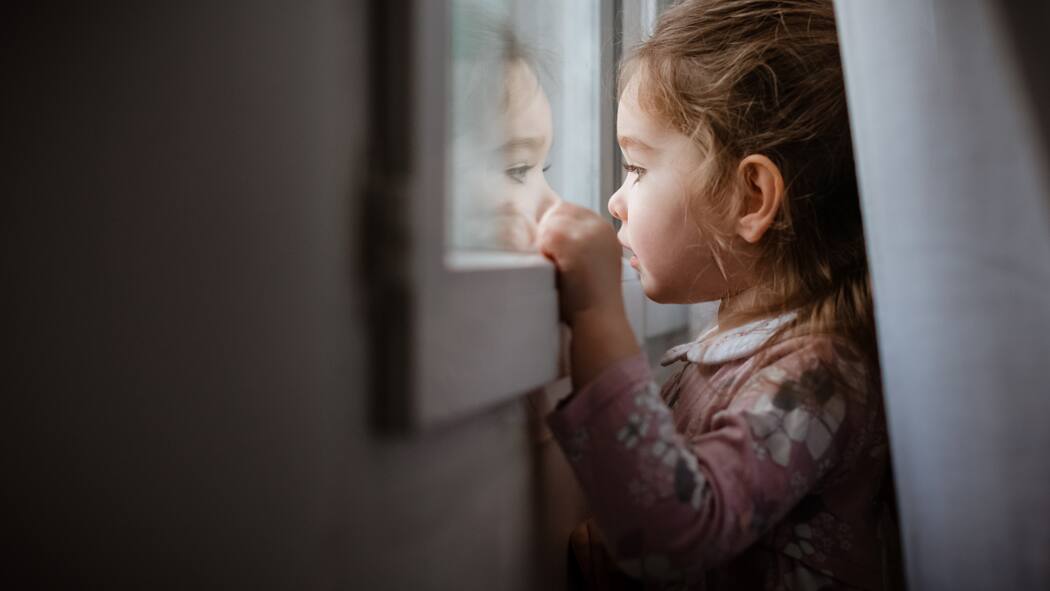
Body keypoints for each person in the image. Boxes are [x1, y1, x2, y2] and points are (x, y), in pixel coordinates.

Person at [535, 1, 900, 589]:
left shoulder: (821, 373)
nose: (615, 200)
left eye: (637, 167)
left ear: (751, 197)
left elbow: (675, 535)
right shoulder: (750, 346)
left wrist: (596, 312)